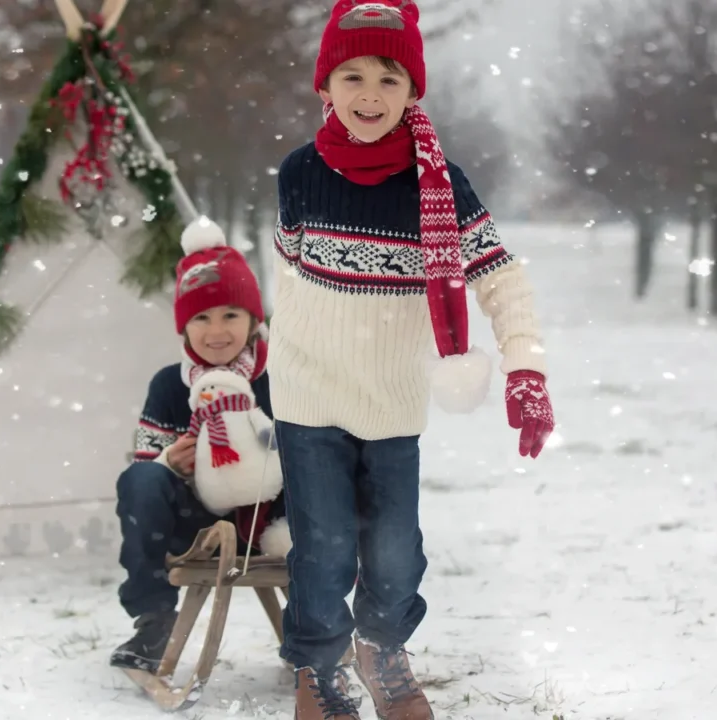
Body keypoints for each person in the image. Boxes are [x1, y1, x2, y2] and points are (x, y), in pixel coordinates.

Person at [268, 2, 558, 718]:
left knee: (396, 555)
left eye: (390, 79)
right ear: (325, 86)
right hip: (309, 394)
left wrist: (525, 367)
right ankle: (321, 667)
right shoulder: (300, 174)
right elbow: (291, 281)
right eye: (353, 74)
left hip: (392, 398)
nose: (370, 94)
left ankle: (383, 651)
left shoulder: (441, 185)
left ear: (412, 92)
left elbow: (499, 275)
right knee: (325, 546)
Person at [110, 216, 275, 674]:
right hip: (194, 525)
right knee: (141, 478)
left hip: (266, 522)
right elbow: (148, 467)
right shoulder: (171, 385)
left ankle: (313, 628)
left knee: (316, 477)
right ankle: (154, 619)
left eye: (230, 315)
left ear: (252, 320)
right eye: (201, 317)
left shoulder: (277, 380)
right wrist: (170, 462)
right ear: (184, 329)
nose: (216, 331)